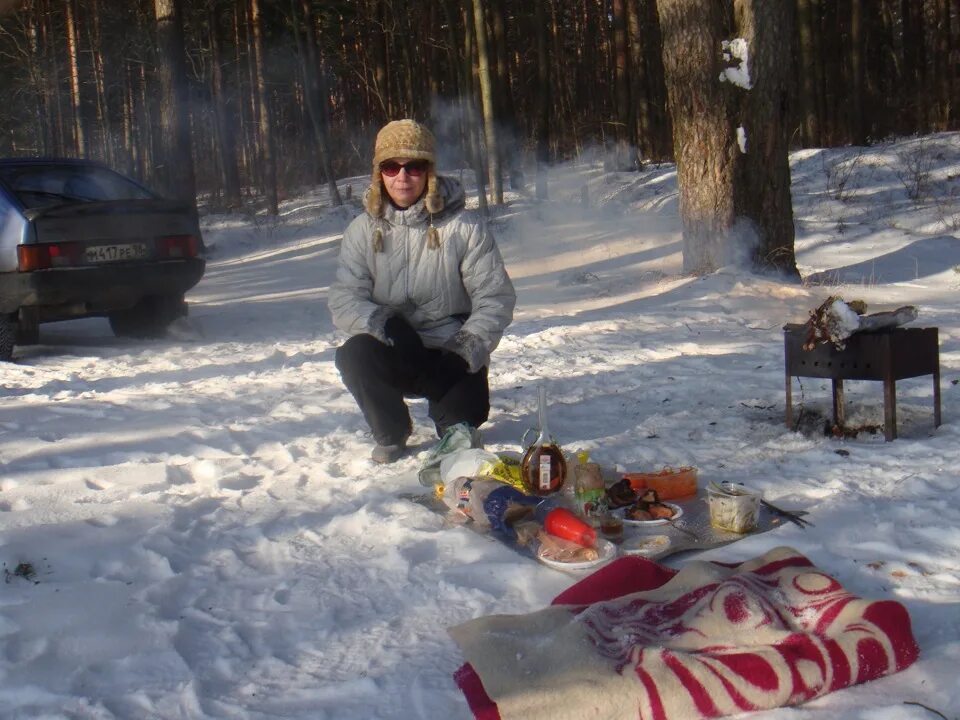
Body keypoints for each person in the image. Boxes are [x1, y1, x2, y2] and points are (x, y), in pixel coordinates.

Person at [329, 119, 516, 464]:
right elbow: (344, 297)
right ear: (379, 173)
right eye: (391, 166)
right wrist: (386, 325)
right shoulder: (361, 230)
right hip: (394, 349)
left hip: (448, 354)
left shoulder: (464, 227)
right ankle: (392, 432)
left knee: (461, 440)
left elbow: (495, 298)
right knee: (354, 354)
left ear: (428, 172)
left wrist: (463, 351)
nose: (402, 176)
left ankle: (455, 417)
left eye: (413, 166)